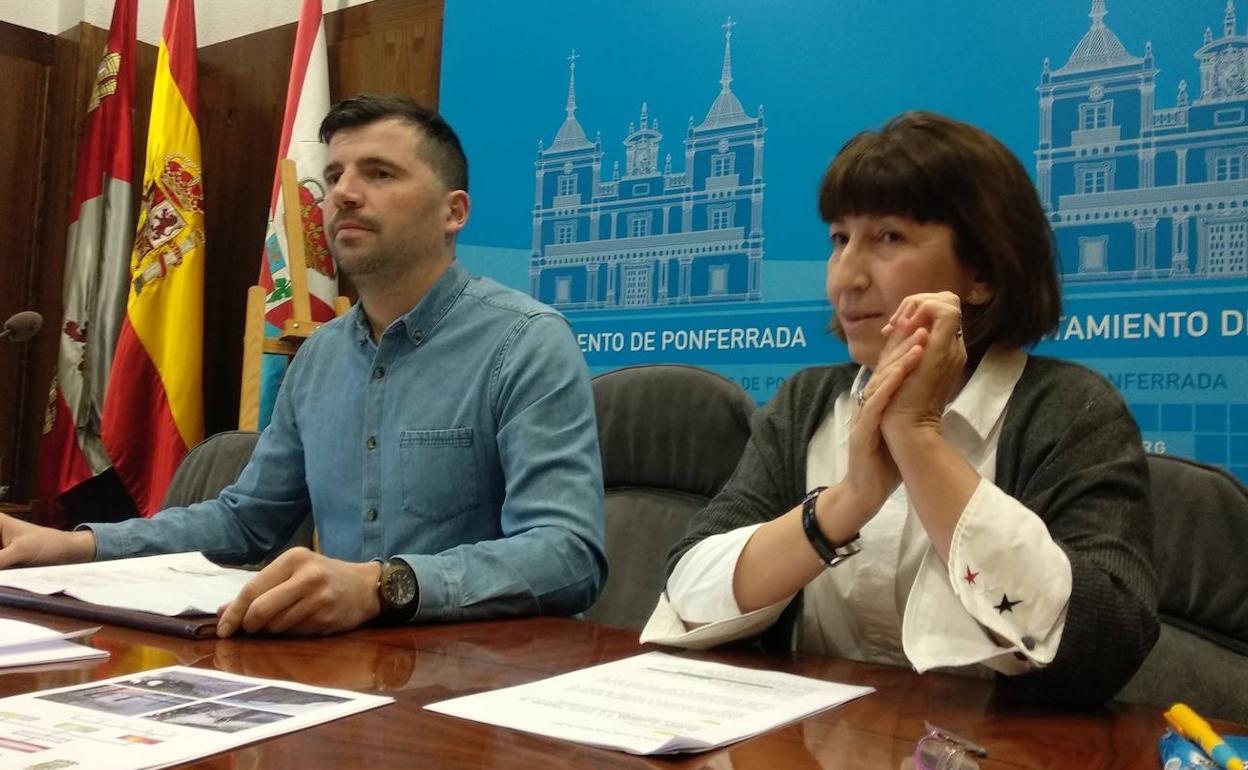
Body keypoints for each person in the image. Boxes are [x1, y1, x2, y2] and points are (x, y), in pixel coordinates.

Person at [0, 95, 607, 637]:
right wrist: (76, 543)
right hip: (343, 676)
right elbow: (246, 522)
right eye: (335, 174)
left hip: (489, 689)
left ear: (454, 212)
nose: (341, 192)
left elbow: (567, 554)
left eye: (379, 172)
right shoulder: (318, 357)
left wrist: (381, 586)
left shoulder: (526, 341)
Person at [641, 111, 1158, 705]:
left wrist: (916, 436)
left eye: (888, 237)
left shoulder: (1071, 412)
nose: (846, 278)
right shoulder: (808, 403)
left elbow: (1106, 643)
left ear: (983, 270)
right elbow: (688, 593)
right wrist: (849, 501)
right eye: (839, 239)